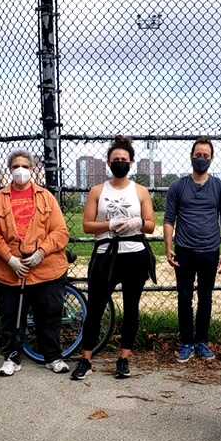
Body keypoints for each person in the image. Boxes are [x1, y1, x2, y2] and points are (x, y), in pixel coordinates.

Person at [71, 136, 156, 381]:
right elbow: (87, 226)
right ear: (109, 163)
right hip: (105, 255)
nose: (120, 162)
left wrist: (137, 222)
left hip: (135, 254)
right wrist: (109, 224)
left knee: (131, 308)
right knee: (95, 308)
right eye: (116, 159)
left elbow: (150, 225)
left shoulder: (140, 190)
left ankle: (124, 358)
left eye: (124, 159)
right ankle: (86, 359)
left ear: (131, 163)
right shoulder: (98, 190)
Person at [0, 150, 71, 377]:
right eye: (15, 166)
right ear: (9, 170)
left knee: (50, 314)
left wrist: (42, 252)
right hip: (7, 270)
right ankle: (11, 357)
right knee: (10, 316)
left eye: (25, 166)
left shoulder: (46, 197)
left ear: (32, 169)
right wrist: (9, 258)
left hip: (46, 269)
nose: (20, 170)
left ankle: (53, 356)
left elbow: (60, 231)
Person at [163, 137, 221, 362]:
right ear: (191, 156)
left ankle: (201, 341)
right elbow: (169, 219)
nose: (201, 159)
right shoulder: (178, 186)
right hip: (184, 250)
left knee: (206, 297)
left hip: (210, 251)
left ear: (211, 159)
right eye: (198, 155)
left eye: (205, 155)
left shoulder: (219, 187)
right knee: (184, 297)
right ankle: (186, 342)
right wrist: (168, 246)